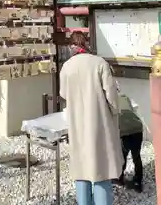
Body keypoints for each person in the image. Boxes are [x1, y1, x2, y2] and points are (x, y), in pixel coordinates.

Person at [60, 31, 123, 205]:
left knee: (81, 167)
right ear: (86, 44)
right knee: (101, 167)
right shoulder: (99, 63)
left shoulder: (67, 66)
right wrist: (115, 112)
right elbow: (111, 96)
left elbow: (63, 94)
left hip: (77, 122)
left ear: (72, 46)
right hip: (99, 120)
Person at [116, 94, 144, 193]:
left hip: (125, 131)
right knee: (136, 156)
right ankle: (138, 183)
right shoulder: (125, 97)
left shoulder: (110, 101)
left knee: (122, 155)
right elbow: (135, 108)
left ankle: (119, 179)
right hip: (137, 128)